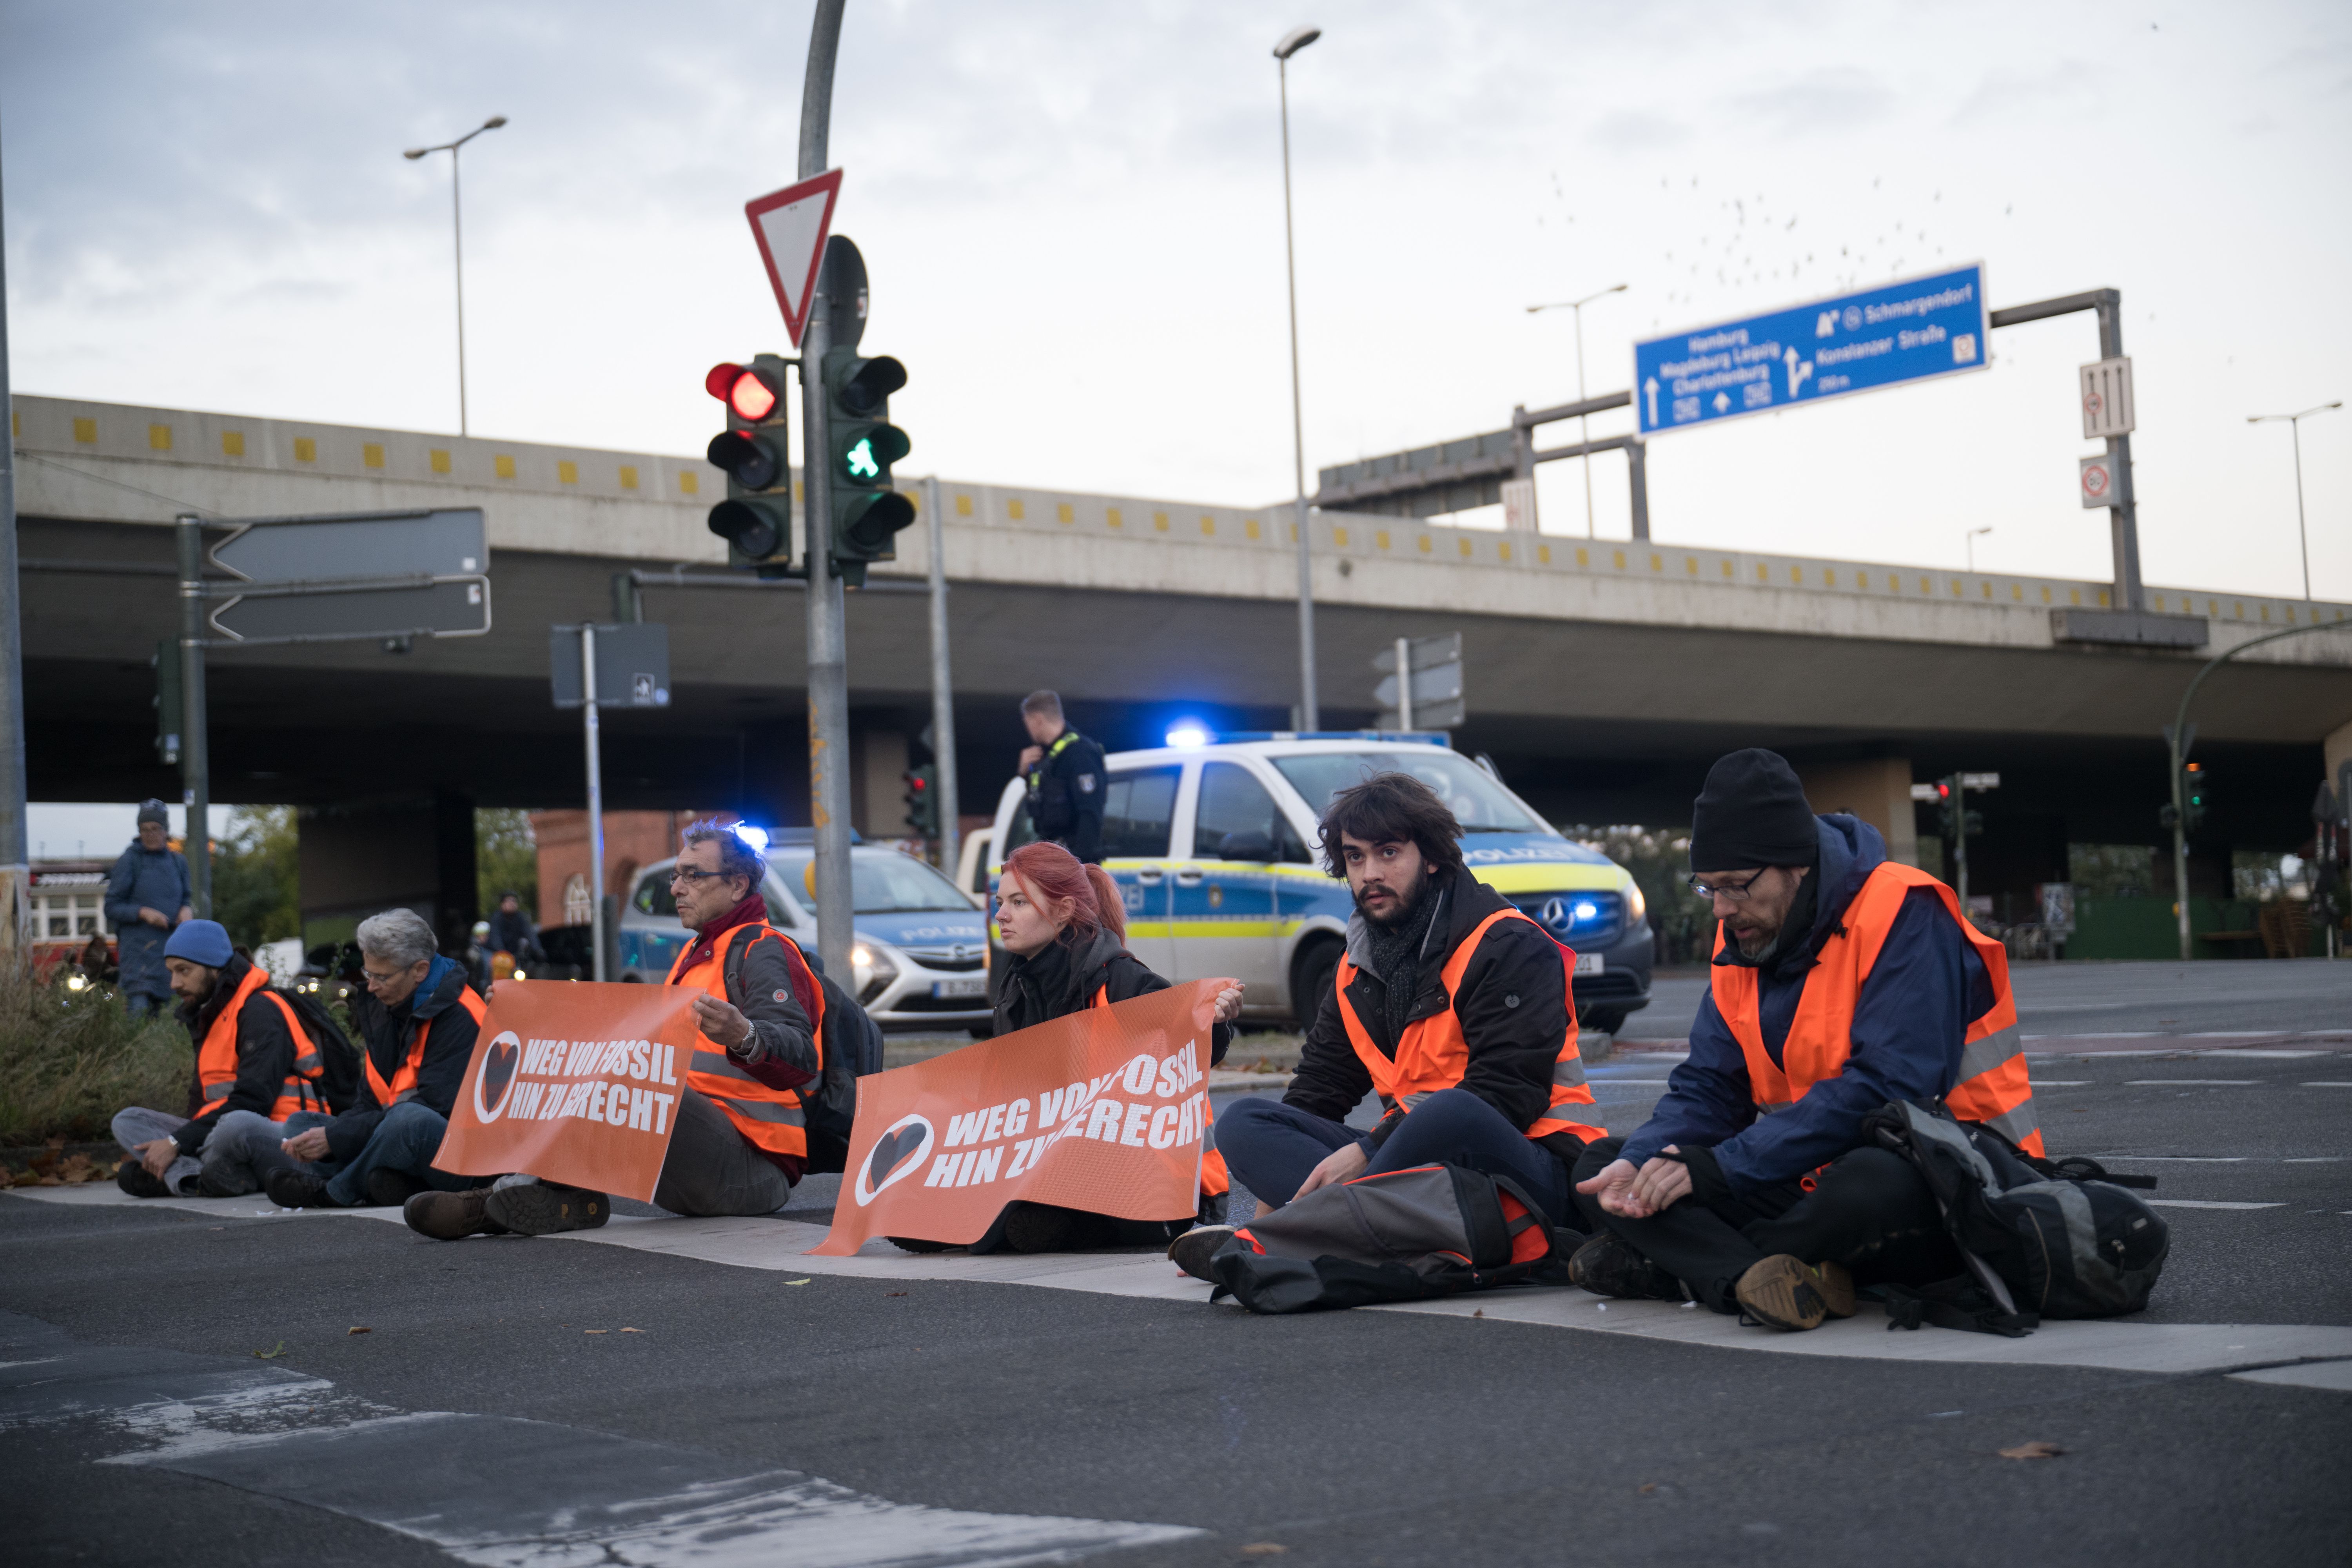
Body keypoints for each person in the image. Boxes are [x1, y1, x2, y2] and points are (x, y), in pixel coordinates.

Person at [1568, 748, 2036, 1332]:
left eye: (1737, 887)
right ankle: (1760, 1277)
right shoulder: (1740, 937)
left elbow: (1891, 1088)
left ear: (1798, 865)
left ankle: (1685, 1266)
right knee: (1606, 1166)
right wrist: (1648, 1159)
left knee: (1869, 1186)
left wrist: (1721, 1169)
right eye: (1708, 888)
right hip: (1800, 1170)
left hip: (1955, 1180)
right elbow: (1710, 1089)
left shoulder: (1905, 910)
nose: (1723, 909)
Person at [1178, 773, 1604, 1278]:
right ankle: (1347, 1231)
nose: (1369, 873)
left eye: (1387, 853)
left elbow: (1506, 1095)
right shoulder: (1354, 967)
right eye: (1355, 857)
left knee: (1454, 1111)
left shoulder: (1507, 943)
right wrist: (1279, 1199)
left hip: (1528, 1167)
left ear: (1432, 856)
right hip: (1412, 1173)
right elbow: (1318, 1094)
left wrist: (1367, 1152)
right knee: (1246, 1122)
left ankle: (1296, 1238)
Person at [410, 819, 866, 1240]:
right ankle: (545, 1197)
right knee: (567, 1060)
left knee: (609, 1074)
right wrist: (527, 1018)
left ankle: (504, 1201)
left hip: (751, 1170)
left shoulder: (765, 951)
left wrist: (744, 1034)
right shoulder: (697, 956)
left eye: (693, 876)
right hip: (695, 1165)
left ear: (737, 885)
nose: (677, 888)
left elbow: (800, 1058)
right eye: (676, 876)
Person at [892, 841, 1242, 1255]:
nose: (1001, 914)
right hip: (1067, 1167)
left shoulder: (1122, 980)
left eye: (1019, 902)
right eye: (1000, 901)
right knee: (912, 1209)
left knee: (1031, 1222)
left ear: (1063, 911)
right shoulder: (1016, 992)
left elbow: (1194, 1052)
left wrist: (1219, 1021)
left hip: (1164, 1183)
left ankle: (1024, 1221)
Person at [199, 909, 486, 1214]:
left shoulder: (459, 1014)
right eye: (368, 974)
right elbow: (368, 1104)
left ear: (420, 970)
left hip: (463, 1156)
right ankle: (384, 1183)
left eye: (382, 977)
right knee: (301, 1124)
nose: (371, 987)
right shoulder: (388, 1004)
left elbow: (434, 1108)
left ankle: (335, 1191)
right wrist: (329, 1137)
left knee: (410, 1121)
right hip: (399, 1135)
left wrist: (336, 1139)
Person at [111, 919, 334, 1198]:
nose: (174, 983)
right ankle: (195, 1177)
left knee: (236, 1124)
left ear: (214, 968)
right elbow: (200, 1102)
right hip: (220, 1136)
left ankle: (182, 1175)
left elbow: (255, 1102)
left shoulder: (261, 1010)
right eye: (171, 972)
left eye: (184, 971)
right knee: (127, 1120)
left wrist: (176, 1142)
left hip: (282, 1135)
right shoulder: (210, 1013)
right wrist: (179, 1141)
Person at [104, 800, 192, 1018]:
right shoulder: (130, 861)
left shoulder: (178, 862)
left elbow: (187, 898)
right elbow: (112, 907)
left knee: (170, 1024)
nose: (150, 834)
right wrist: (143, 913)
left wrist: (186, 910)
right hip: (138, 964)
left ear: (166, 831)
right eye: (145, 830)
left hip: (171, 962)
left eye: (156, 829)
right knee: (139, 1022)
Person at [1017, 691, 1108, 864]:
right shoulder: (1047, 757)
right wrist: (1026, 775)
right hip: (1055, 857)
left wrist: (1081, 865)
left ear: (1037, 719)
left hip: (1076, 860)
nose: (1028, 729)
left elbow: (1090, 812)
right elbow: (1041, 807)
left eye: (1027, 723)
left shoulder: (1080, 753)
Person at [486, 891, 541, 966]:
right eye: (508, 901)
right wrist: (502, 952)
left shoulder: (521, 917)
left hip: (515, 954)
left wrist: (538, 949)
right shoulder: (497, 918)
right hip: (499, 954)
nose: (512, 904)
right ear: (502, 905)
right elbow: (495, 937)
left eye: (514, 901)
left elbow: (530, 933)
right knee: (489, 964)